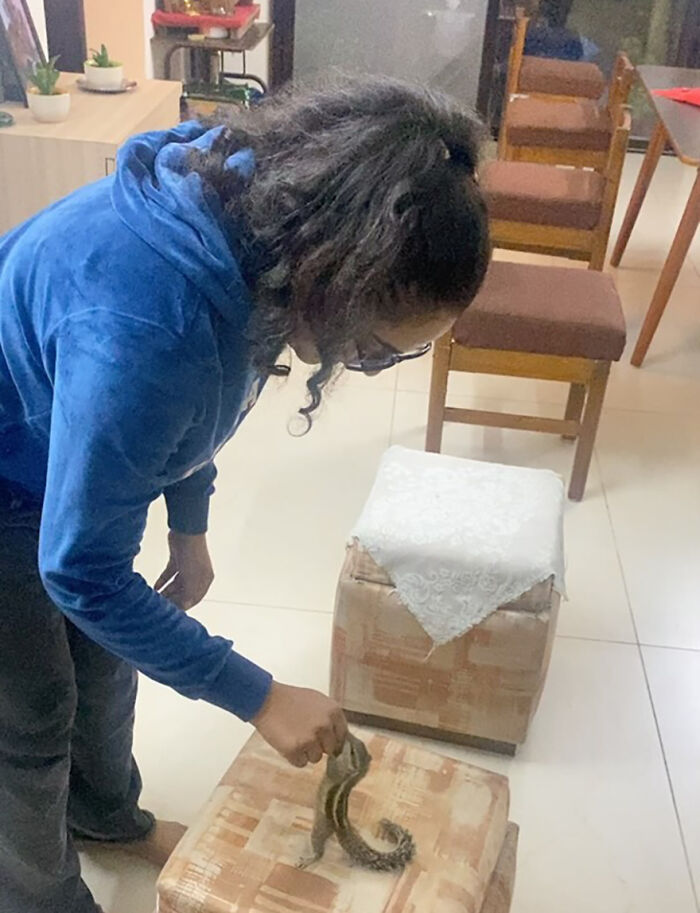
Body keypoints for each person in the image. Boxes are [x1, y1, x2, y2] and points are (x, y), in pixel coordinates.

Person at [0, 75, 490, 913]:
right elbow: (78, 569)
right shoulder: (149, 329)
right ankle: (39, 898)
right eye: (376, 349)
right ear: (337, 274)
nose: (368, 365)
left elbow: (199, 408)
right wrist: (255, 694)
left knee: (105, 666)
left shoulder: (264, 221)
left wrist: (188, 526)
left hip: (58, 427)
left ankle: (105, 817)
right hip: (9, 471)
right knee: (30, 712)